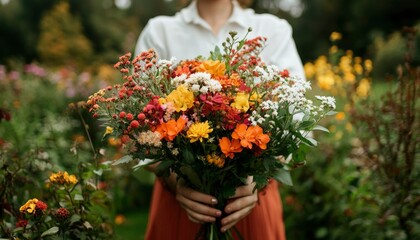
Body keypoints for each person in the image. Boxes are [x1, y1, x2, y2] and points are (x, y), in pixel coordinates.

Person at [135, 0, 305, 239]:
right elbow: (139, 129)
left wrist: (257, 180)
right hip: (181, 204)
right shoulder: (159, 31)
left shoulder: (272, 30)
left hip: (249, 203)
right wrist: (177, 182)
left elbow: (296, 120)